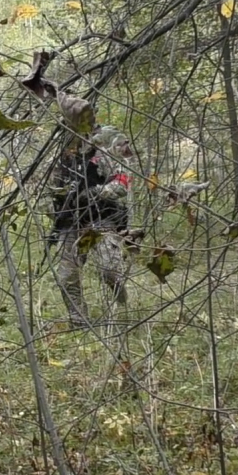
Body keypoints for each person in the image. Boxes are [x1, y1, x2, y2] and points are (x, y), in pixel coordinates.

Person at [48, 124, 138, 327]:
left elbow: (122, 184)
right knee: (66, 276)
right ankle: (79, 321)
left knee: (109, 269)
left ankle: (122, 303)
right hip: (71, 222)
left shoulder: (102, 155)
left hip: (101, 217)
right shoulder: (61, 162)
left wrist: (95, 192)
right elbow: (51, 192)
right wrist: (60, 207)